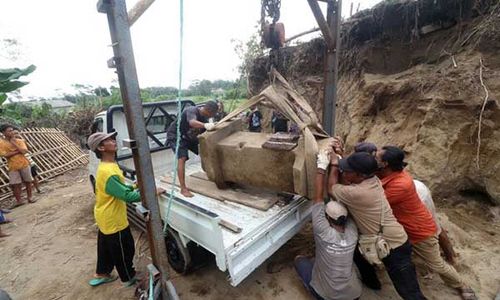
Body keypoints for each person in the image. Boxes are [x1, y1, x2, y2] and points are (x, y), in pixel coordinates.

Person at [376, 146, 477, 300]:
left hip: (419, 231)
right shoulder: (390, 174)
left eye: (377, 157)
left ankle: (462, 284)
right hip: (406, 227)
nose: (373, 159)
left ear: (385, 164)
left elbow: (374, 202)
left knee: (436, 264)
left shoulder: (400, 185)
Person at [328, 150, 427, 300]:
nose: (344, 172)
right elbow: (348, 181)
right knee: (358, 255)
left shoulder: (359, 193)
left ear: (360, 175)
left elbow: (331, 188)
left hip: (395, 246)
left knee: (409, 293)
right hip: (389, 239)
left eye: (347, 171)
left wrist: (334, 165)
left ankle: (374, 283)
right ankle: (372, 282)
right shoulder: (373, 180)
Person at [354, 142, 457, 264]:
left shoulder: (377, 165)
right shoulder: (376, 163)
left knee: (433, 227)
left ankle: (450, 257)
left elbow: (376, 200)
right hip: (408, 191)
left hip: (417, 193)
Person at [86, 132, 165, 287]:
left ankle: (102, 273)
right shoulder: (108, 171)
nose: (113, 141)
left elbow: (118, 188)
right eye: (108, 140)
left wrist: (134, 185)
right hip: (113, 219)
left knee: (106, 249)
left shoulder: (108, 165)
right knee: (124, 250)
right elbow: (127, 196)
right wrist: (151, 192)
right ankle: (128, 277)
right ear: (101, 148)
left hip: (104, 216)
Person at [294, 147, 362, 300]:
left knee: (299, 260)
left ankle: (315, 291)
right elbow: (342, 198)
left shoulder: (323, 233)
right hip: (354, 295)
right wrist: (336, 163)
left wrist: (321, 167)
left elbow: (317, 198)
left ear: (327, 219)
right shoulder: (352, 232)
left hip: (327, 296)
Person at [166, 101, 218, 197]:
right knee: (182, 158)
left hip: (188, 137)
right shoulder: (191, 110)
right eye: (213, 114)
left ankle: (212, 174)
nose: (212, 116)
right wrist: (205, 125)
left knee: (205, 151)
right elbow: (192, 122)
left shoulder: (205, 118)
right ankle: (183, 188)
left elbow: (206, 131)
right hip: (176, 135)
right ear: (209, 111)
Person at [0, 124, 35, 207]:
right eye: (9, 131)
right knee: (15, 184)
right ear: (3, 132)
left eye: (12, 130)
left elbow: (25, 151)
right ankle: (19, 201)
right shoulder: (1, 143)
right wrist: (18, 151)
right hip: (13, 166)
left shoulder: (19, 141)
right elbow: (5, 155)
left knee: (28, 181)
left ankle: (30, 197)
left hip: (24, 163)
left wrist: (14, 144)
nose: (12, 132)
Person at [13, 129, 42, 193]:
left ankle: (38, 189)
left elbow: (30, 149)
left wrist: (25, 142)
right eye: (14, 134)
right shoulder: (11, 143)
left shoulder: (22, 141)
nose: (16, 135)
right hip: (20, 164)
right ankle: (29, 193)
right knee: (25, 180)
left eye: (17, 133)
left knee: (34, 176)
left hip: (29, 161)